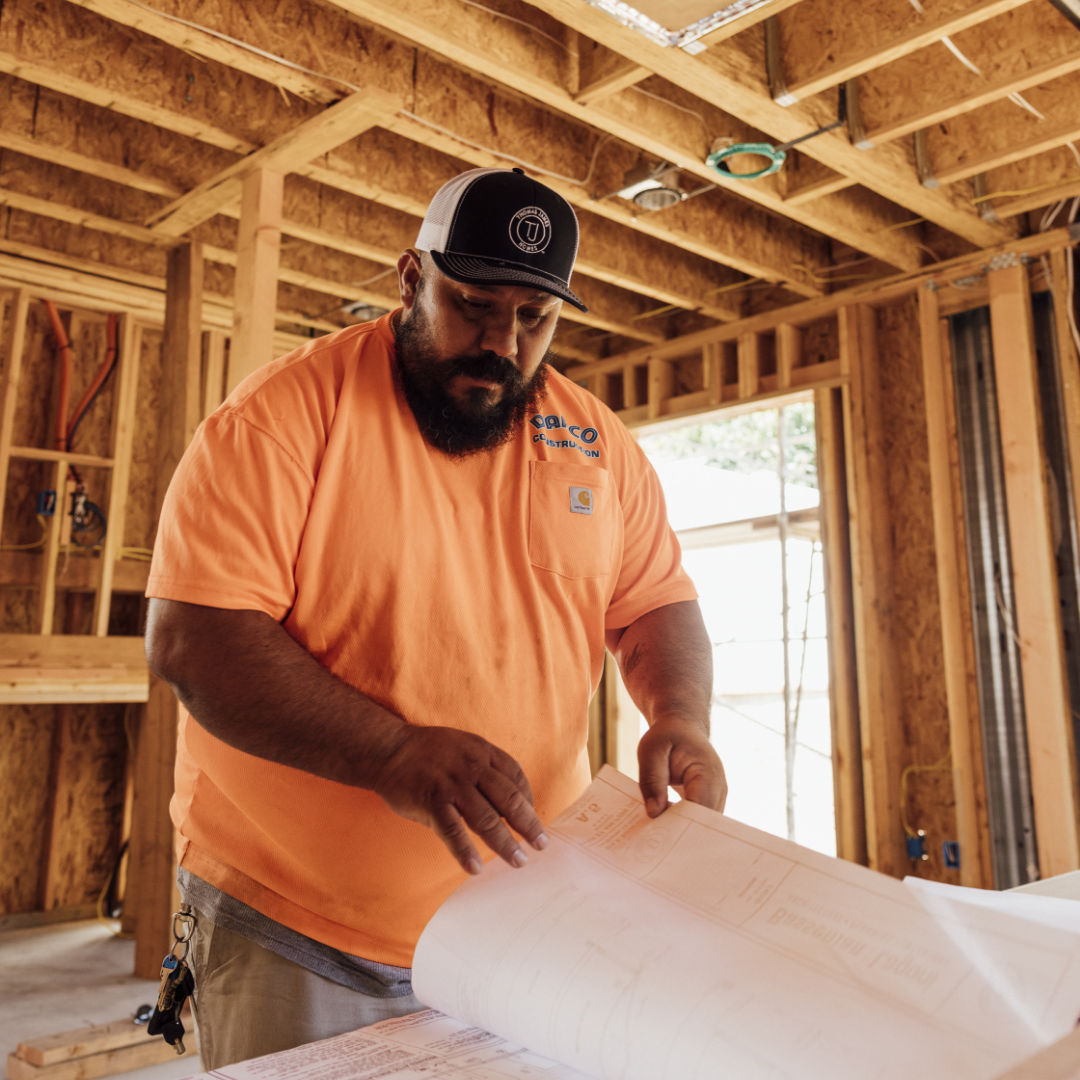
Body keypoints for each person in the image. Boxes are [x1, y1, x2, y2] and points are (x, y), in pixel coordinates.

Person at [145, 167, 726, 1069]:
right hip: (297, 929)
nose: (502, 342)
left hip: (519, 927)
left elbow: (655, 602)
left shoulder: (596, 444)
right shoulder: (284, 417)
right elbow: (196, 641)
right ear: (411, 279)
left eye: (535, 318)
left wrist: (680, 716)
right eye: (474, 303)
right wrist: (390, 752)